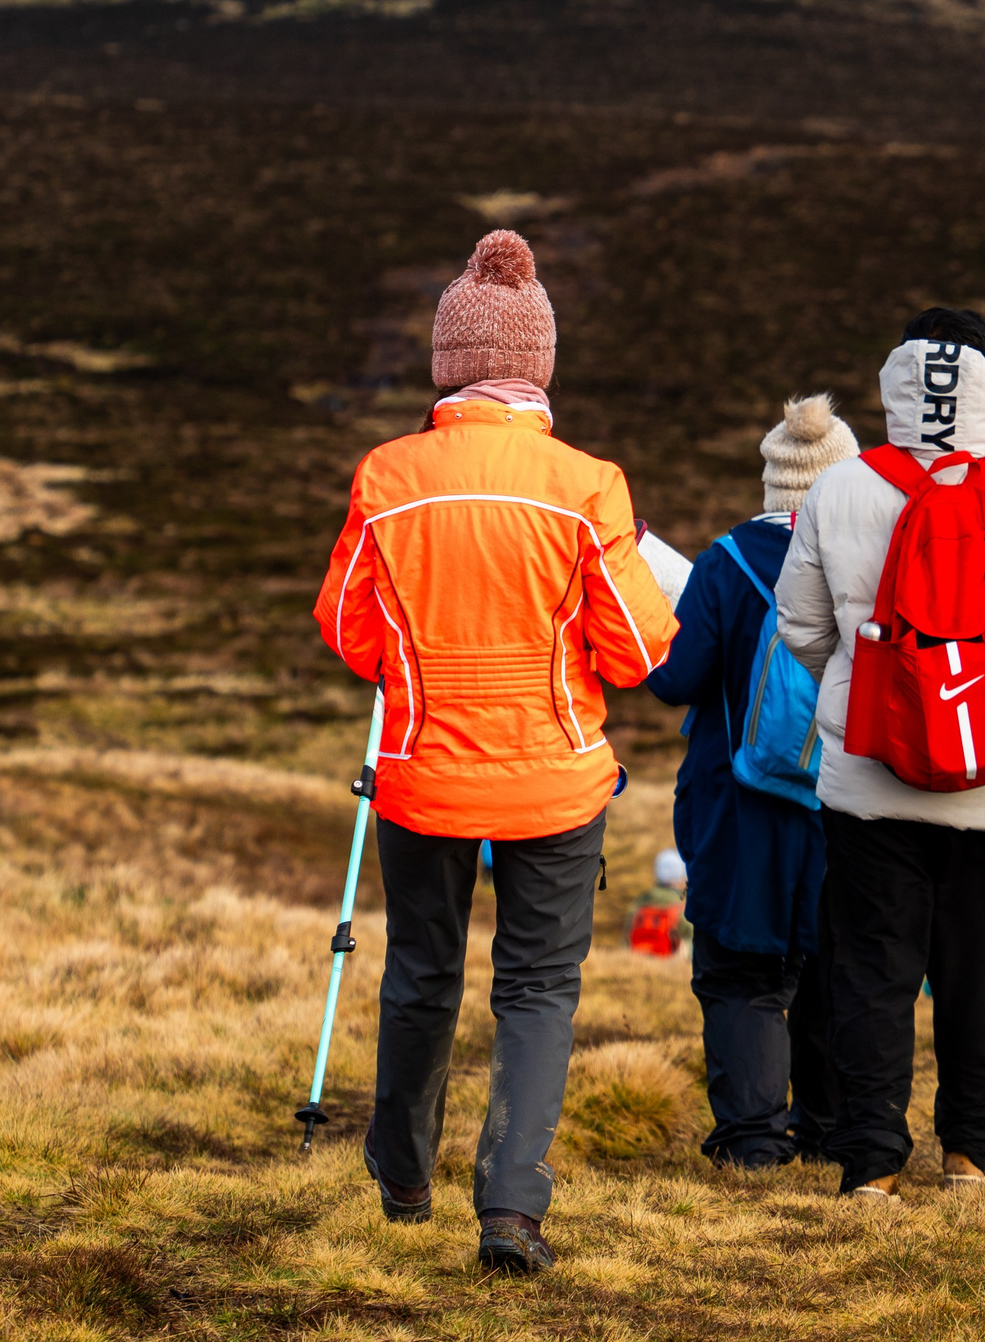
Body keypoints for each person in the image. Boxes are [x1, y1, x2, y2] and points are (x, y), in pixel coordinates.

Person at [313, 229, 677, 1276]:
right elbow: (643, 642)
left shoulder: (387, 477)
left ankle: (402, 1171)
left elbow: (346, 627)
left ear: (449, 367)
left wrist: (416, 669)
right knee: (537, 988)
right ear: (538, 368)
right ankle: (511, 1208)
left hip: (422, 773)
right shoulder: (587, 485)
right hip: (555, 779)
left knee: (420, 971)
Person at [774, 308, 985, 1199]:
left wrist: (869, 682)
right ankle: (970, 1150)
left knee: (871, 976)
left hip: (868, 780)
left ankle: (871, 1165)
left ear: (897, 376)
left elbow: (800, 628)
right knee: (984, 970)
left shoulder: (842, 488)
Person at [644, 394, 856, 1172]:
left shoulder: (727, 562)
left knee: (742, 970)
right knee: (833, 964)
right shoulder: (867, 558)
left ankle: (756, 1140)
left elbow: (677, 681)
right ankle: (834, 1130)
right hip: (845, 799)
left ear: (772, 481)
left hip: (740, 806)